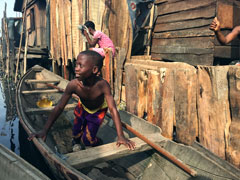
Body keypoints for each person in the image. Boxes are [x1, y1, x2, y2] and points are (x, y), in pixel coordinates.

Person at [28, 50, 135, 151]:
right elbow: (59, 107)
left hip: (97, 111)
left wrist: (121, 136)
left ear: (94, 70)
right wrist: (44, 130)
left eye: (81, 66)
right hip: (82, 107)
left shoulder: (102, 85)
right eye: (76, 65)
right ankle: (76, 140)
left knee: (88, 141)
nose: (76, 68)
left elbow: (113, 110)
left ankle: (98, 141)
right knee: (75, 134)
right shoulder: (73, 85)